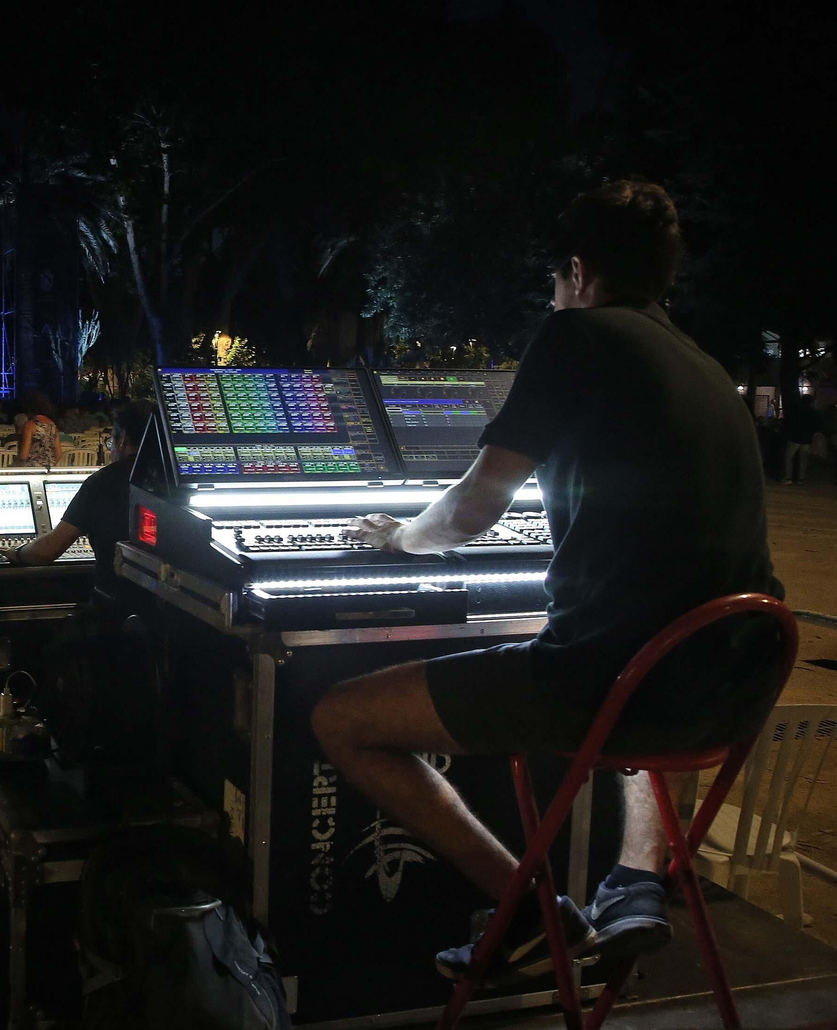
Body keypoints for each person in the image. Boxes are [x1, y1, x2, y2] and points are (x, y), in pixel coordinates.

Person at [308, 180, 783, 985]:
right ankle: (637, 881)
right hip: (730, 687)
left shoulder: (576, 337)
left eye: (556, 281)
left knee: (340, 717)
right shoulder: (703, 363)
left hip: (611, 692)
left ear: (576, 271)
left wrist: (403, 539)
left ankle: (529, 910)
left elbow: (472, 509)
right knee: (627, 645)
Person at [0, 400, 154, 602]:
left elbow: (47, 551)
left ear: (122, 438)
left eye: (111, 441)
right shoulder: (171, 478)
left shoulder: (103, 481)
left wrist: (17, 552)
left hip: (115, 605)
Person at [781, 394, 819, 484]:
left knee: (789, 457)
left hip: (795, 437)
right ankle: (800, 479)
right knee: (803, 459)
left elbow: (789, 423)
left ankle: (788, 478)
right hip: (807, 439)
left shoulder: (796, 411)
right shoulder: (813, 412)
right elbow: (817, 425)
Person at [16, 392, 60, 467]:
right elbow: (58, 454)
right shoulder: (53, 426)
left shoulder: (30, 426)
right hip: (49, 468)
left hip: (32, 468)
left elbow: (24, 455)